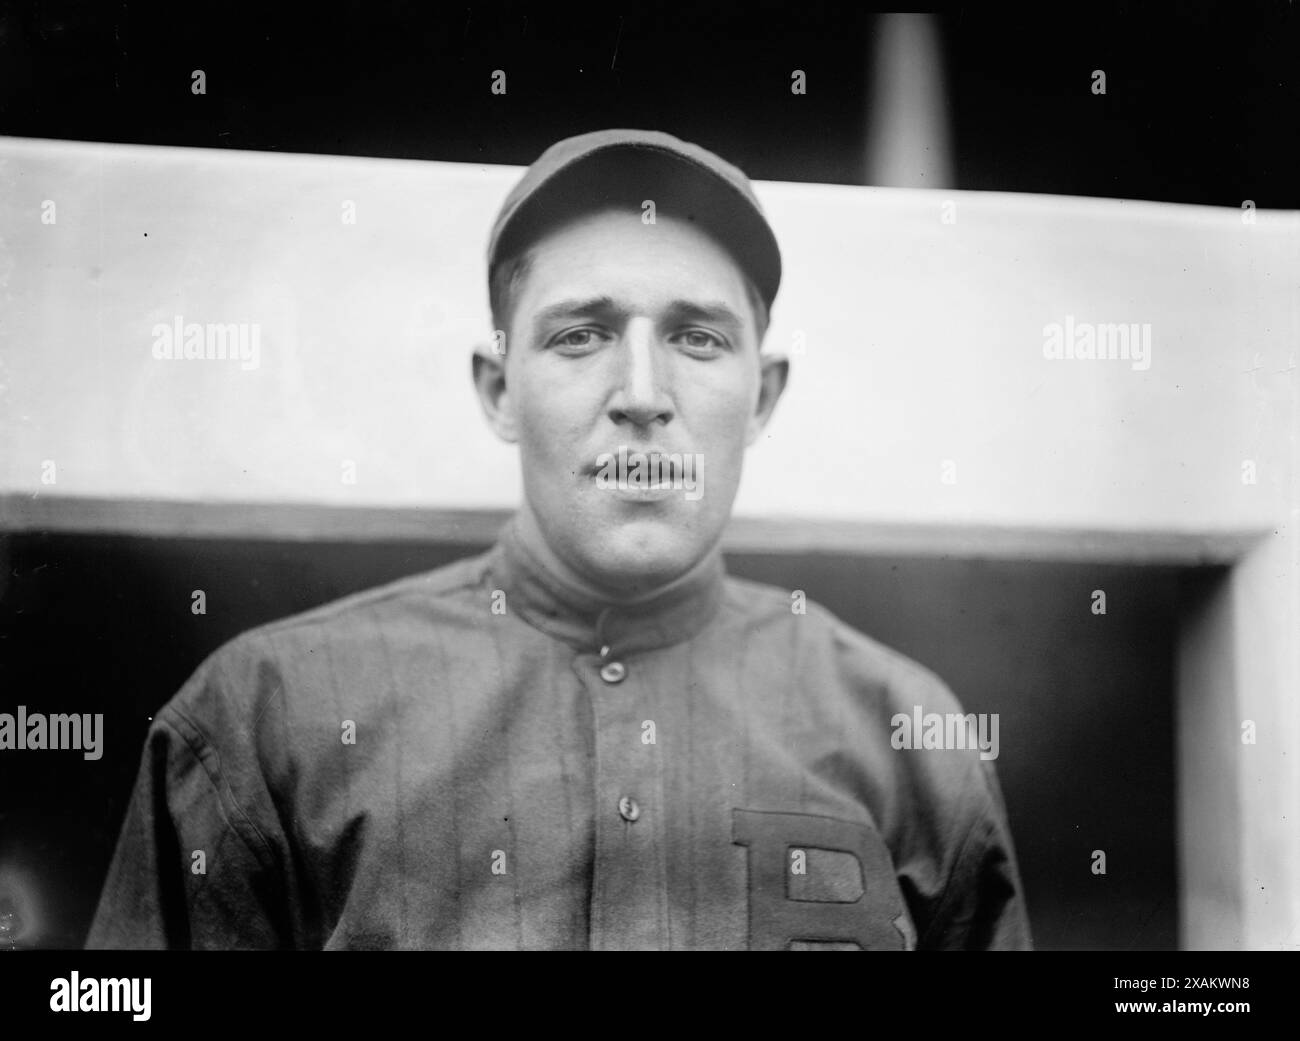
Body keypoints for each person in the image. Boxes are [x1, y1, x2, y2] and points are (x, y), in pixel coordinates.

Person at [87, 129, 1032, 950]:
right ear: (500, 390)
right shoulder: (265, 722)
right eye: (580, 334)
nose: (642, 393)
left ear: (764, 395)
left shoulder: (908, 738)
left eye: (698, 338)